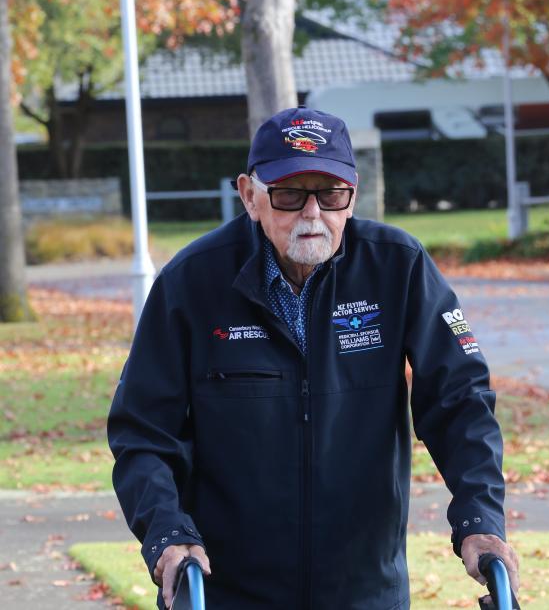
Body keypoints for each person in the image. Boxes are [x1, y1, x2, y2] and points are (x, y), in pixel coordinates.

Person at [108, 106, 519, 610]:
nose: (312, 214)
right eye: (288, 194)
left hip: (365, 588)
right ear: (249, 196)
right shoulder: (191, 283)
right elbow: (144, 432)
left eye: (330, 194)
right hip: (229, 590)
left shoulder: (398, 267)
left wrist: (480, 519)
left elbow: (460, 402)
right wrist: (167, 535)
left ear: (352, 195)